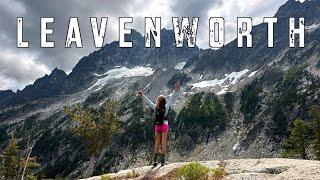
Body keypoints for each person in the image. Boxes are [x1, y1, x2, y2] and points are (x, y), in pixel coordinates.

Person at [136, 81, 181, 167]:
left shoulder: (155, 107)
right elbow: (171, 99)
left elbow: (149, 102)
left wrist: (142, 95)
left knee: (157, 142)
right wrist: (175, 90)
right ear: (164, 101)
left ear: (158, 101)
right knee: (163, 142)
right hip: (164, 125)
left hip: (157, 126)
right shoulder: (166, 107)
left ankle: (154, 161)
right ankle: (163, 160)